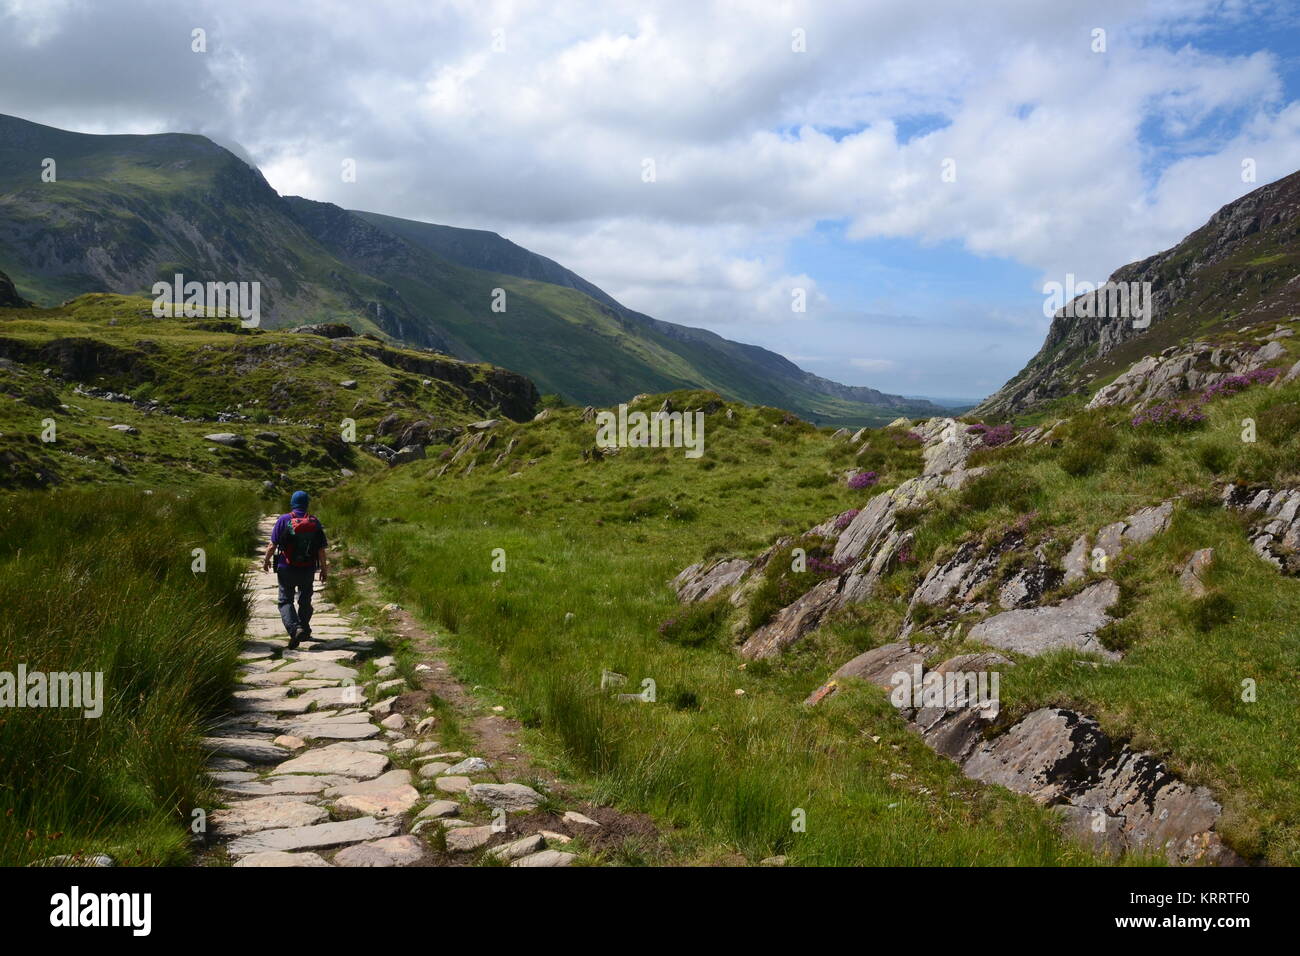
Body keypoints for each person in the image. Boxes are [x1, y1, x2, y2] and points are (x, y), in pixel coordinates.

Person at [262, 490, 329, 649]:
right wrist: (324, 570)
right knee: (305, 600)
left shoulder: (284, 520)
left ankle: (295, 628)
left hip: (286, 567)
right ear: (307, 504)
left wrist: (266, 560)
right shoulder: (314, 521)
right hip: (308, 568)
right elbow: (321, 550)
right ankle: (303, 627)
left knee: (285, 600)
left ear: (292, 503)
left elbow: (272, 546)